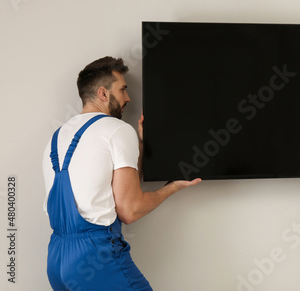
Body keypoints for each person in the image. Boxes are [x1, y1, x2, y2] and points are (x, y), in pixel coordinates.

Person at [42, 56, 201, 290]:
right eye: (123, 89)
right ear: (103, 93)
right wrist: (173, 186)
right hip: (96, 257)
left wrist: (139, 144)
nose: (128, 98)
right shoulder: (116, 130)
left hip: (57, 259)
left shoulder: (57, 137)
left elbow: (119, 190)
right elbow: (130, 210)